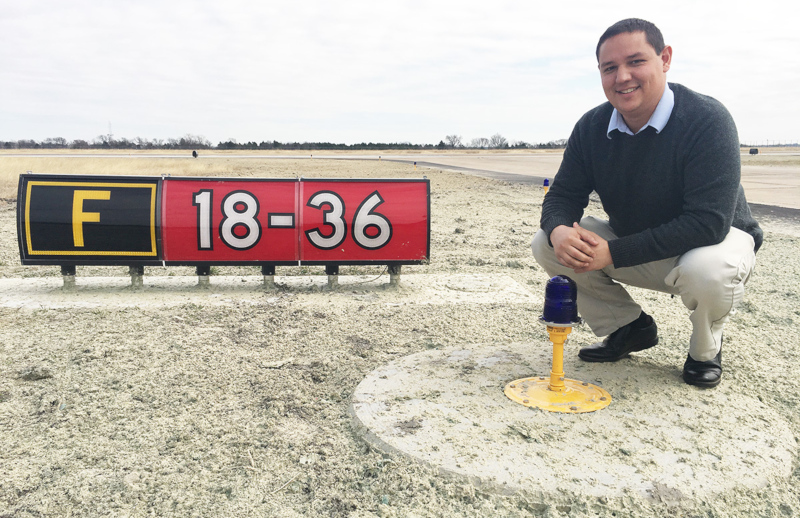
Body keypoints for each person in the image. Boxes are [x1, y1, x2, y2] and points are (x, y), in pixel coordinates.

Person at [531, 18, 762, 388]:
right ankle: (628, 328)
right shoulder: (591, 127)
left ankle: (705, 351)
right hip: (639, 242)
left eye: (636, 61)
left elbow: (708, 223)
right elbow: (562, 196)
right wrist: (559, 230)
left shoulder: (707, 119)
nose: (622, 77)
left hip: (712, 244)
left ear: (665, 58)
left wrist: (613, 253)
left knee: (708, 270)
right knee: (547, 242)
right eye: (609, 67)